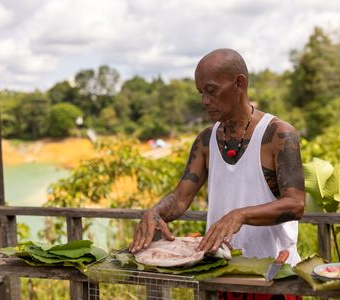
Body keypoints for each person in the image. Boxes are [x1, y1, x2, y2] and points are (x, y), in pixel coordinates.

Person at [130, 48, 305, 298]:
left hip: (273, 277)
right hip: (221, 275)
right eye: (201, 93)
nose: (205, 101)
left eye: (211, 90)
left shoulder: (278, 134)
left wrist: (240, 215)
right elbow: (180, 199)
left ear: (239, 84)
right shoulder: (206, 140)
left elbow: (296, 205)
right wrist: (155, 212)